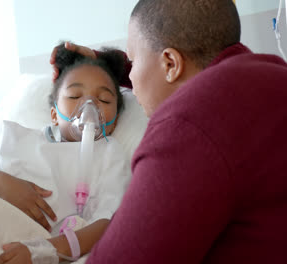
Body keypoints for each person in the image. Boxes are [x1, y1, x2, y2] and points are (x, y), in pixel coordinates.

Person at [51, 0, 287, 263]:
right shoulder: (270, 73)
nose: (133, 83)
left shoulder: (189, 122)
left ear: (171, 63)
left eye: (133, 59)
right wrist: (106, 64)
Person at [0, 44, 133, 263]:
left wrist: (44, 250)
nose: (89, 105)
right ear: (54, 114)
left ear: (115, 119)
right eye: (74, 96)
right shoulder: (19, 137)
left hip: (20, 241)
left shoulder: (109, 155)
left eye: (104, 100)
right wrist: (2, 183)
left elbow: (109, 222)